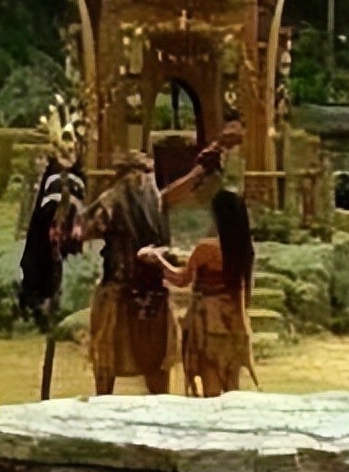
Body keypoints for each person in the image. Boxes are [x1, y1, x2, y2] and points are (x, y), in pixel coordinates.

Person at [78, 122, 241, 395]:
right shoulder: (113, 202)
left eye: (146, 174)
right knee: (106, 367)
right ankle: (100, 409)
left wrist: (216, 150)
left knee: (157, 371)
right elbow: (79, 231)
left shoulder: (156, 200)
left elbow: (190, 180)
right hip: (118, 295)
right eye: (138, 175)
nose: (143, 181)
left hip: (154, 297)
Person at [139, 189, 259, 397]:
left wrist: (157, 259)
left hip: (208, 323)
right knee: (232, 390)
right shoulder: (245, 251)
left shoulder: (206, 248)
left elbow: (180, 279)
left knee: (211, 392)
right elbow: (245, 291)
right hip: (234, 324)